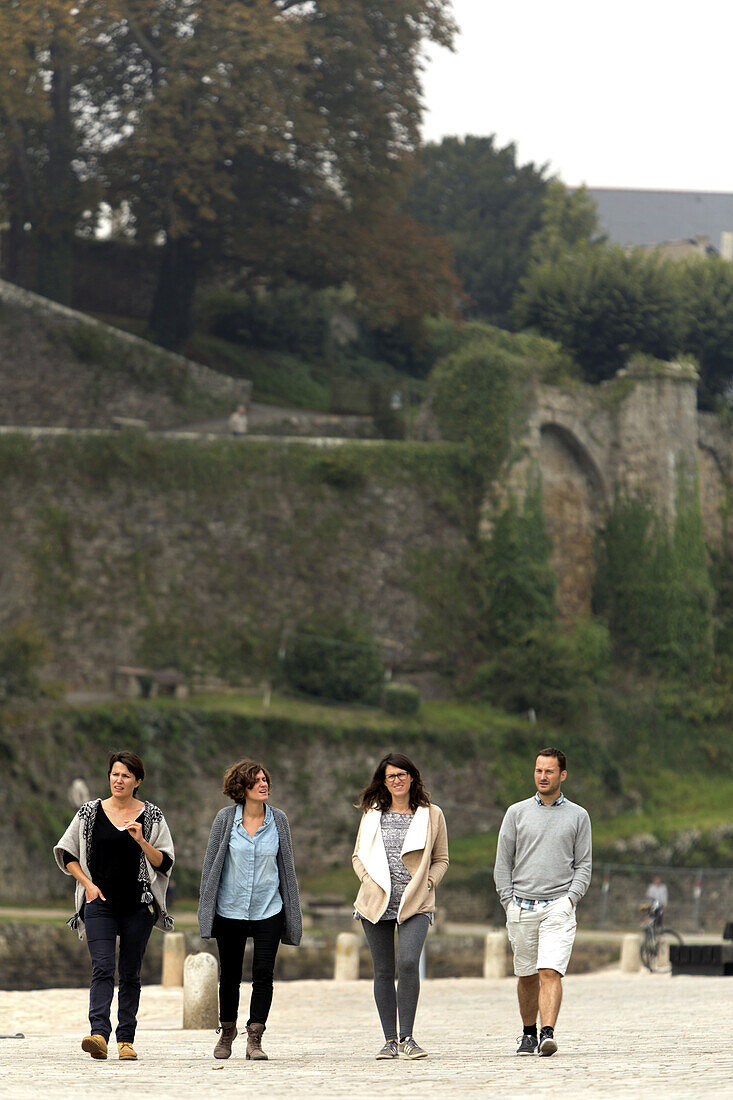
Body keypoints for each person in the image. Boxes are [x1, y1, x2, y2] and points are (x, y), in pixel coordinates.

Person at [54, 750, 174, 1062]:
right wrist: (88, 885)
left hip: (138, 907)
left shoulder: (152, 816)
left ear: (138, 781)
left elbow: (164, 862)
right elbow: (67, 853)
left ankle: (126, 1041)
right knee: (103, 968)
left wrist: (142, 841)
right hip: (99, 905)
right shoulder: (89, 812)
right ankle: (98, 1035)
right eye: (114, 774)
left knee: (131, 974)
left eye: (125, 775)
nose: (118, 780)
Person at [198, 759, 302, 1062]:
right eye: (256, 781)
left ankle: (255, 1037)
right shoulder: (224, 819)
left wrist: (291, 910)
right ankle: (227, 1032)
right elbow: (211, 866)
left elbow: (287, 867)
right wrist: (207, 906)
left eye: (265, 779)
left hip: (269, 908)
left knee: (263, 974)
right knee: (229, 975)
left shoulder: (279, 820)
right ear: (241, 788)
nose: (263, 784)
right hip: (229, 908)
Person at [493, 747, 591, 1058]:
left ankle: (547, 1033)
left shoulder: (578, 816)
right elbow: (502, 862)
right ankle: (528, 1033)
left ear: (562, 775)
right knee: (526, 975)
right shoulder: (516, 813)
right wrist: (508, 901)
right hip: (521, 906)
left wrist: (571, 899)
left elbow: (584, 864)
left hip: (559, 906)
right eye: (538, 770)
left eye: (549, 771)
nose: (543, 776)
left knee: (550, 971)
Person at [352, 752, 449, 1060]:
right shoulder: (371, 814)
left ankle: (408, 1036)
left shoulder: (432, 814)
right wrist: (368, 882)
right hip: (376, 901)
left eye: (401, 774)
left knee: (407, 963)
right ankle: (389, 1040)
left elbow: (442, 859)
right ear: (384, 781)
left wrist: (428, 883)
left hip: (415, 902)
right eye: (390, 776)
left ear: (412, 777)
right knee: (383, 970)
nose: (396, 780)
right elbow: (357, 856)